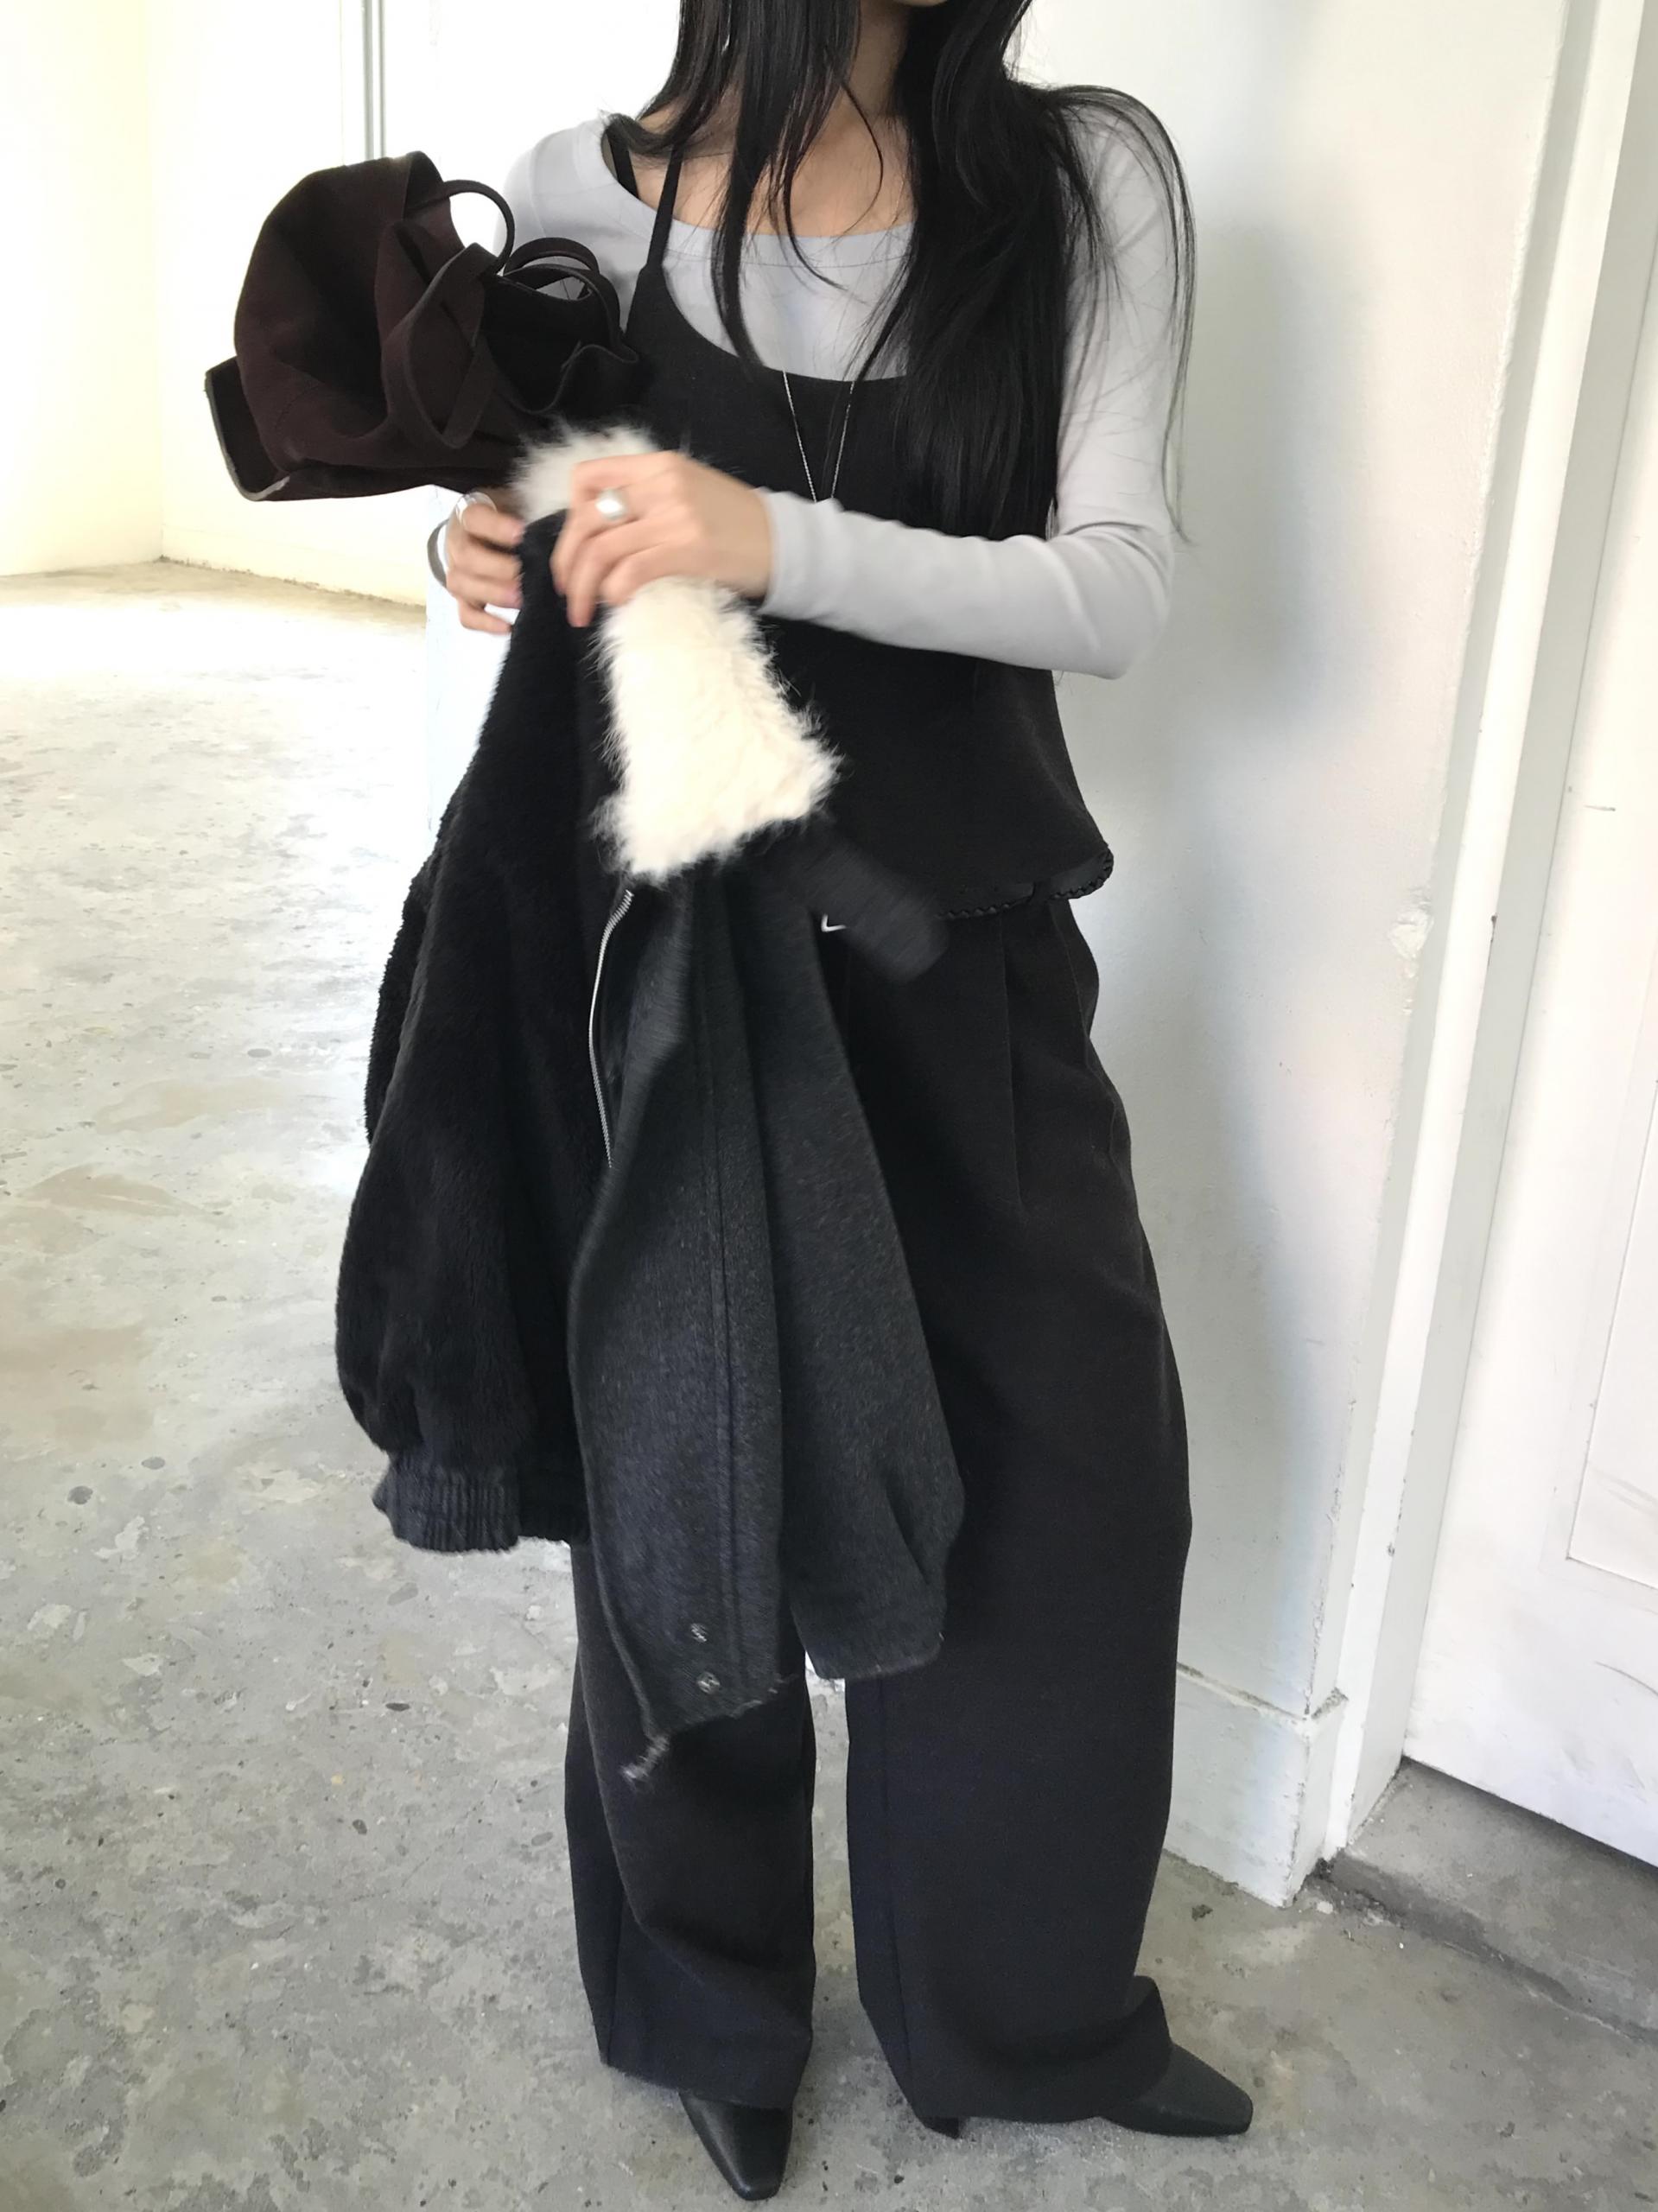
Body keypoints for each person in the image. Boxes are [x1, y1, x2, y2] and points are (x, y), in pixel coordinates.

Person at [433, 1, 1249, 2197]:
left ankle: (1022, 2010)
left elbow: (1116, 588)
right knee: (681, 1497)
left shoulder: (1080, 179)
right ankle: (707, 2003)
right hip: (660, 965)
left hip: (956, 946)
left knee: (1069, 1501)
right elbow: (559, 539)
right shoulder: (583, 187)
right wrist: (486, 548)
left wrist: (757, 533)